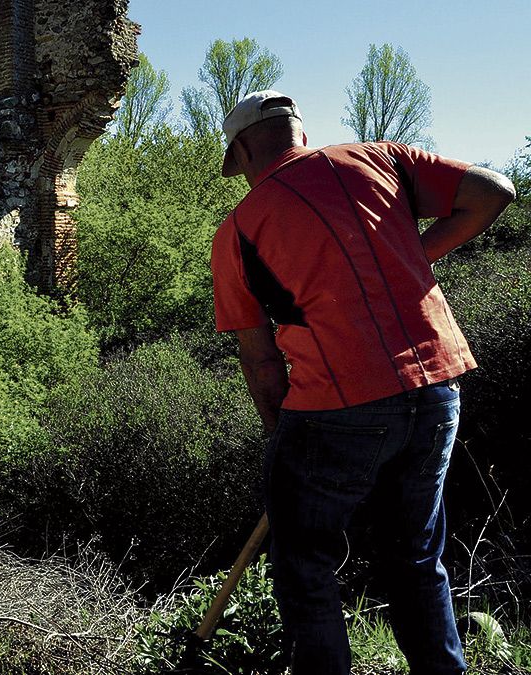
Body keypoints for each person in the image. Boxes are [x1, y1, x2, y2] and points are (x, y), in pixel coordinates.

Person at [210, 90, 516, 675]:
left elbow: (262, 361)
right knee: (415, 556)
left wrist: (283, 442)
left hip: (337, 401)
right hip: (437, 387)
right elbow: (493, 193)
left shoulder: (240, 230)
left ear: (245, 149)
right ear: (298, 132)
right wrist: (413, 258)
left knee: (305, 565)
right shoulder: (378, 159)